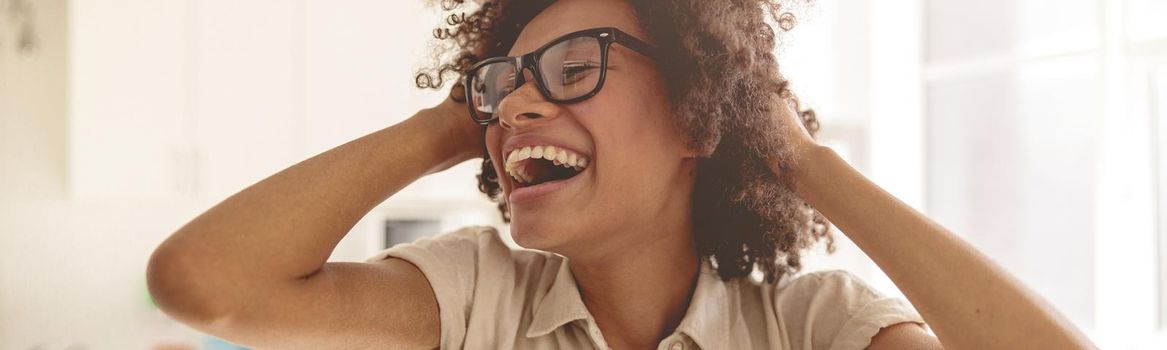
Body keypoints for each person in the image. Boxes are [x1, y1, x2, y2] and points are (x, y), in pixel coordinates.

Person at [145, 0, 1098, 349]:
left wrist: (803, 161)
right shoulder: (473, 298)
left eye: (573, 71)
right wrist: (446, 121)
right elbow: (204, 284)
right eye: (505, 86)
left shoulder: (813, 330)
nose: (517, 108)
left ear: (697, 117)